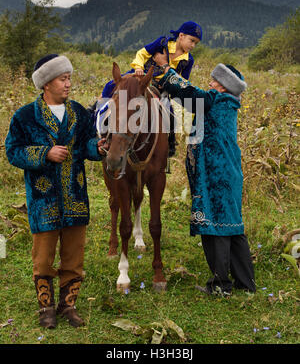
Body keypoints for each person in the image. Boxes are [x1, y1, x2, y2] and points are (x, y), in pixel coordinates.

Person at [5, 54, 107, 329]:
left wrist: (97, 149)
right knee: (43, 257)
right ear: (47, 82)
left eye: (69, 78)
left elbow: (86, 144)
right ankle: (46, 308)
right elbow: (12, 152)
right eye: (63, 79)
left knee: (74, 255)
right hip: (43, 199)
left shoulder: (78, 112)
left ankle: (68, 305)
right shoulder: (25, 117)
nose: (68, 84)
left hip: (75, 195)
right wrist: (44, 153)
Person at [153, 50, 256, 295]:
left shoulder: (217, 101)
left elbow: (192, 94)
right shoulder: (223, 104)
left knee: (216, 227)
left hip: (216, 176)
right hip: (225, 174)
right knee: (233, 227)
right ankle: (245, 283)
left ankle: (221, 286)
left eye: (213, 80)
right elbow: (191, 100)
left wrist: (167, 71)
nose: (209, 83)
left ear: (223, 86)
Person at [93, 21, 202, 156]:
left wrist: (170, 81)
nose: (193, 45)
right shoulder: (163, 42)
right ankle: (97, 111)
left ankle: (171, 141)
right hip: (140, 76)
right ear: (181, 35)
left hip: (161, 86)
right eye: (191, 40)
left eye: (196, 43)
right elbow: (142, 53)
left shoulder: (188, 60)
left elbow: (183, 81)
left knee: (170, 112)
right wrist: (138, 67)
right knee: (111, 85)